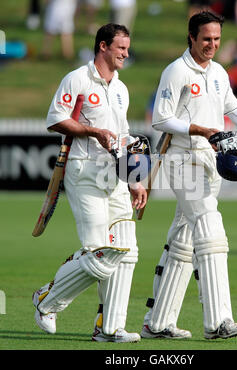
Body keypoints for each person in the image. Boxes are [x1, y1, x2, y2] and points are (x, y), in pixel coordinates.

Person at [141, 11, 237, 340]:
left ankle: (157, 323)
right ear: (191, 37)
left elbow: (232, 110)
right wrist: (198, 129)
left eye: (217, 39)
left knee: (184, 241)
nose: (212, 45)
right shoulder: (175, 71)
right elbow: (160, 120)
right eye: (206, 39)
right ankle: (218, 322)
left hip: (210, 159)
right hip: (182, 158)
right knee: (211, 229)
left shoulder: (218, 71)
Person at [32, 23, 147, 343]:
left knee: (128, 253)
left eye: (127, 48)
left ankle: (110, 329)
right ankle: (47, 300)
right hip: (84, 174)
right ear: (103, 47)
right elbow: (55, 119)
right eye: (120, 48)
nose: (125, 53)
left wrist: (136, 181)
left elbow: (123, 138)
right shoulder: (78, 79)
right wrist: (92, 131)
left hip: (116, 179)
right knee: (100, 256)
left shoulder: (121, 88)